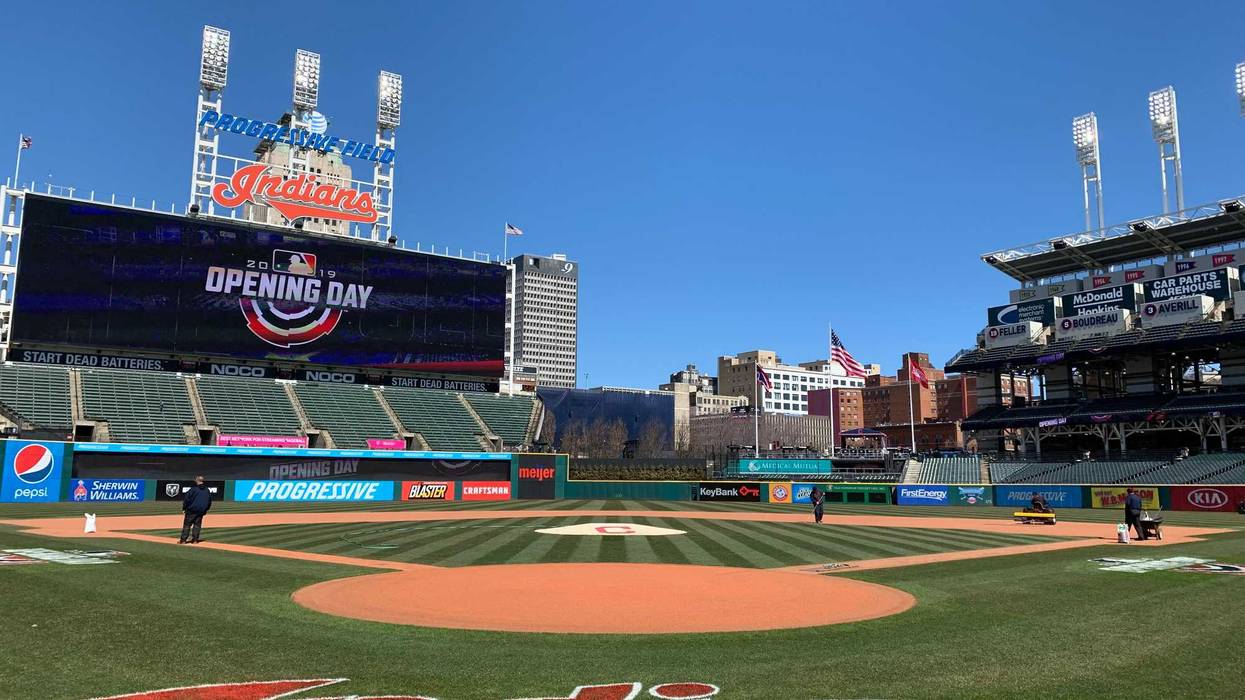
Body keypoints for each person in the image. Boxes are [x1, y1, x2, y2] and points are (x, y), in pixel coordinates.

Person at [179, 476, 213, 544]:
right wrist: (206, 509)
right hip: (201, 511)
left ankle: (183, 540)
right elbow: (209, 501)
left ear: (197, 480)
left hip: (191, 510)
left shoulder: (194, 489)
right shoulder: (207, 490)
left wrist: (184, 508)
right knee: (197, 526)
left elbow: (187, 499)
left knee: (187, 525)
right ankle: (195, 540)